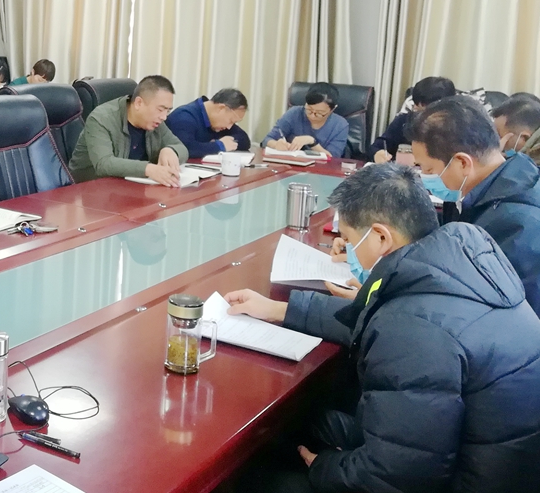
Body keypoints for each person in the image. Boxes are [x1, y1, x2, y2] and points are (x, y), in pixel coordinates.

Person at [227, 164, 540, 492]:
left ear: (380, 237)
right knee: (302, 422)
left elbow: (397, 475)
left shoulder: (411, 328)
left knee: (265, 479)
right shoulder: (460, 259)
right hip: (482, 457)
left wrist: (322, 466)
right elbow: (379, 319)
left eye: (350, 240)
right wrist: (282, 309)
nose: (348, 251)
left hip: (459, 480)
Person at [407, 94, 540, 315]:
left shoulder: (520, 224)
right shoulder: (479, 191)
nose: (425, 177)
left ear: (462, 163)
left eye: (428, 169)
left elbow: (502, 317)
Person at [68, 75, 189, 186]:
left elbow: (181, 148)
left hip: (131, 187)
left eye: (168, 110)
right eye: (160, 109)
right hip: (89, 189)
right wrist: (148, 169)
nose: (164, 117)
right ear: (138, 103)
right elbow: (104, 164)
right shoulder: (101, 118)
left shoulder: (154, 122)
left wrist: (171, 150)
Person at [369, 76, 456, 163]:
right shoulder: (404, 121)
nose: (415, 109)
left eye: (425, 109)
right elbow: (377, 146)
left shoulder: (456, 130)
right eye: (416, 105)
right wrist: (378, 153)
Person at [263, 83, 349, 158]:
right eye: (309, 109)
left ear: (332, 109)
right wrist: (276, 145)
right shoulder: (294, 113)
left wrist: (312, 142)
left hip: (320, 169)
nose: (312, 115)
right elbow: (267, 140)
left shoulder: (340, 125)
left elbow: (333, 158)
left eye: (319, 113)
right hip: (291, 166)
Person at [165, 88, 250, 158]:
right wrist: (219, 146)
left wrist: (227, 143)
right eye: (231, 121)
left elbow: (244, 140)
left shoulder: (218, 122)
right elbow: (185, 149)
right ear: (221, 108)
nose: (229, 127)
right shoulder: (184, 117)